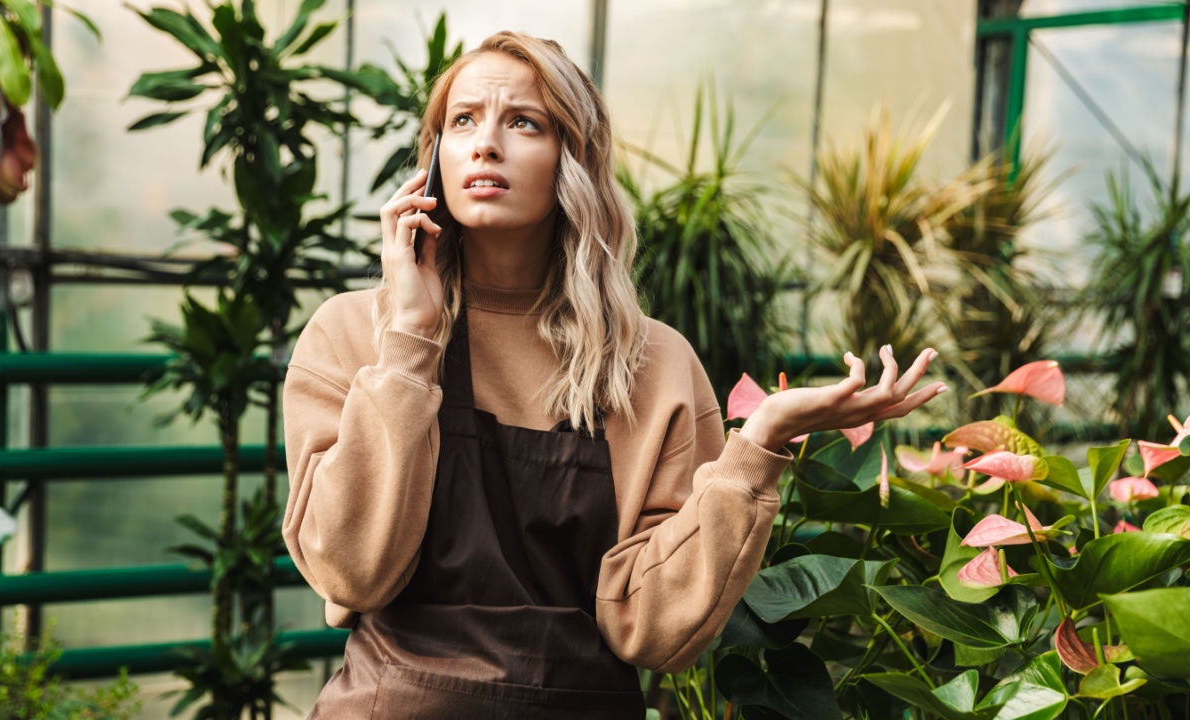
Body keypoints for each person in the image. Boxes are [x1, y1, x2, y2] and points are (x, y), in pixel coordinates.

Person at [281, 31, 946, 719]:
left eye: (523, 122)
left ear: (572, 158)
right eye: (462, 121)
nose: (485, 144)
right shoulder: (355, 333)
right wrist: (411, 344)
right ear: (432, 164)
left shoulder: (653, 364)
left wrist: (758, 449)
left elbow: (655, 631)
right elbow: (352, 572)